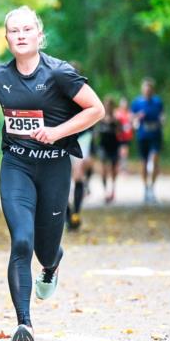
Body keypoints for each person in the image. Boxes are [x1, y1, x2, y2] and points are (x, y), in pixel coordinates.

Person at [0, 6, 104, 341]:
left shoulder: (60, 73)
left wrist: (58, 131)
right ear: (7, 38)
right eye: (14, 30)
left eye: (27, 29)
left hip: (54, 168)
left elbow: (96, 110)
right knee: (21, 241)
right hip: (16, 166)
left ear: (38, 34)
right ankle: (24, 324)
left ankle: (53, 263)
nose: (20, 35)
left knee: (44, 249)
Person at [65, 62, 93, 231]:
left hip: (82, 136)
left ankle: (76, 212)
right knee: (61, 179)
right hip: (62, 136)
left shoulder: (84, 88)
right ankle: (68, 214)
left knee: (78, 175)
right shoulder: (56, 88)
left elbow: (94, 112)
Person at [130, 78, 165, 204]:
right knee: (144, 163)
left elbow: (162, 115)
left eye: (150, 90)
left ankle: (152, 188)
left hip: (155, 133)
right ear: (142, 90)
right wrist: (136, 117)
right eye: (146, 90)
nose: (148, 92)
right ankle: (146, 188)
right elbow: (131, 118)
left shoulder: (158, 102)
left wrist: (162, 120)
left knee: (155, 160)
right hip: (143, 134)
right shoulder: (136, 103)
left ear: (153, 91)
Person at [96, 95, 122, 203]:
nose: (107, 107)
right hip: (103, 147)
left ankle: (112, 190)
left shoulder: (116, 120)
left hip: (114, 146)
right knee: (103, 168)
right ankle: (105, 191)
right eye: (106, 105)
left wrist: (113, 127)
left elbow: (119, 133)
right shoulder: (100, 119)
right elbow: (96, 134)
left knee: (113, 169)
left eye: (109, 105)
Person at [114, 97, 133, 172]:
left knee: (124, 151)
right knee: (119, 151)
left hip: (126, 136)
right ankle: (118, 166)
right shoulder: (117, 112)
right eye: (122, 103)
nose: (124, 105)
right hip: (118, 136)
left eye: (125, 103)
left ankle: (123, 166)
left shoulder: (129, 113)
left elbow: (131, 124)